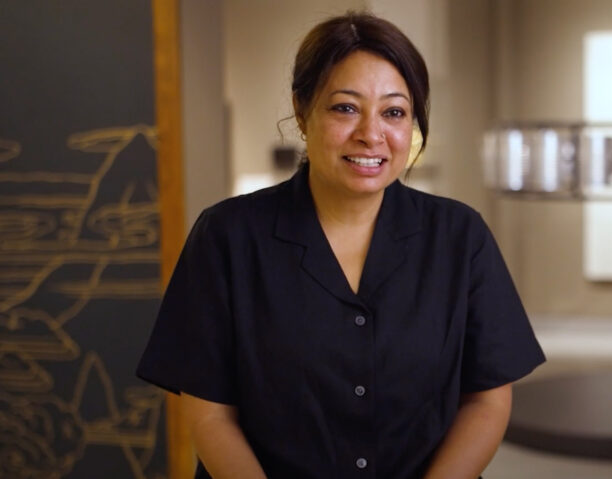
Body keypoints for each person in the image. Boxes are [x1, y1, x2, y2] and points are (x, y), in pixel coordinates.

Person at [137, 11, 544, 479]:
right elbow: (210, 415)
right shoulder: (228, 237)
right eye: (345, 108)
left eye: (394, 112)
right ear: (302, 110)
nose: (371, 134)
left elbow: (487, 399)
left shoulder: (459, 237)